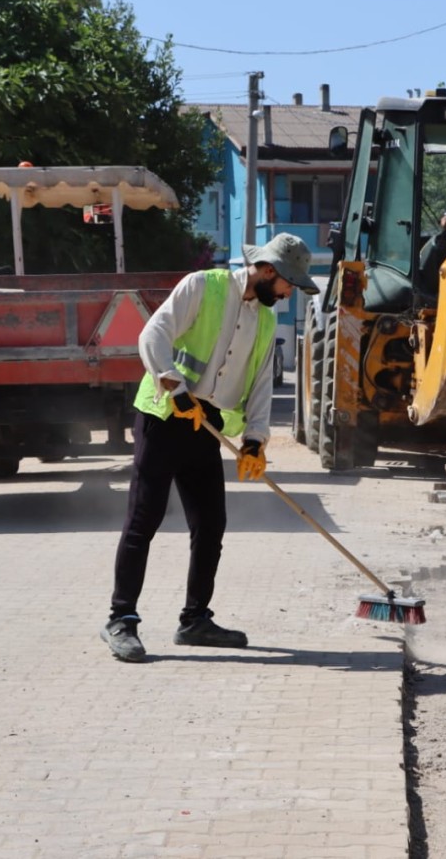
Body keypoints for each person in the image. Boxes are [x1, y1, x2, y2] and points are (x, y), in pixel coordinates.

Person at [100, 232, 321, 662]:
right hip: (165, 416)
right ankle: (120, 619)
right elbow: (152, 336)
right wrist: (175, 386)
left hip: (207, 424)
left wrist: (255, 440)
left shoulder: (266, 320)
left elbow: (259, 385)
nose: (289, 292)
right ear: (268, 271)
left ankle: (195, 620)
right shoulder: (203, 286)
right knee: (145, 518)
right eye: (287, 283)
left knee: (211, 524)